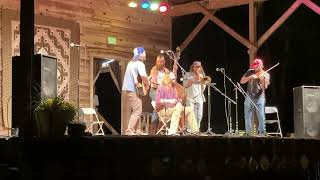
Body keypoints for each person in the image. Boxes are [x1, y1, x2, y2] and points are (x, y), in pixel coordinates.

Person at [122, 47, 150, 135]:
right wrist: (148, 84)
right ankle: (129, 130)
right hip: (132, 89)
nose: (145, 54)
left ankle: (137, 130)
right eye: (144, 52)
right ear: (140, 54)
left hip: (129, 89)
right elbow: (144, 77)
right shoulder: (139, 64)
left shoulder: (131, 63)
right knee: (137, 110)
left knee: (138, 108)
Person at [240, 58, 270, 136]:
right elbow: (242, 81)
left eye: (256, 66)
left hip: (260, 98)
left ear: (261, 65)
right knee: (247, 115)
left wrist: (262, 80)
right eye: (254, 66)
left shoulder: (265, 74)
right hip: (249, 96)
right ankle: (248, 132)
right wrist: (250, 77)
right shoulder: (250, 71)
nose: (255, 67)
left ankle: (262, 133)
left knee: (261, 116)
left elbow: (264, 87)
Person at [149, 54, 178, 133]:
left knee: (168, 107)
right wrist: (164, 84)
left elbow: (172, 80)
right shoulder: (154, 69)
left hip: (163, 90)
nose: (159, 63)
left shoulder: (167, 71)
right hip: (155, 90)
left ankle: (164, 129)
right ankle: (152, 131)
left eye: (161, 62)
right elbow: (155, 82)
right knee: (157, 108)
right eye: (158, 61)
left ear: (164, 62)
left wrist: (174, 70)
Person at [183, 61, 207, 130]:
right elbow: (185, 85)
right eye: (196, 66)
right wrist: (194, 79)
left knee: (199, 115)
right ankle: (189, 130)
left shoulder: (202, 75)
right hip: (190, 98)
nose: (197, 68)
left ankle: (197, 129)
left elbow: (203, 88)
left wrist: (202, 82)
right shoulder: (188, 74)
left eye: (199, 67)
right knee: (191, 114)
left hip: (199, 98)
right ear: (193, 67)